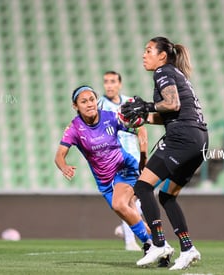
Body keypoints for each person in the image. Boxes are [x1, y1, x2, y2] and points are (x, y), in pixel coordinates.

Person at [120, 36, 209, 270]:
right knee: (167, 196)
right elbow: (172, 112)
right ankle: (188, 248)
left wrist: (146, 105)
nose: (144, 54)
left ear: (162, 56)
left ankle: (159, 244)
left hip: (182, 138)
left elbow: (172, 104)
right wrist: (145, 117)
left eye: (149, 50)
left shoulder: (162, 72)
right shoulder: (175, 73)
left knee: (142, 187)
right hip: (198, 140)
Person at [54, 85, 152, 252]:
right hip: (105, 181)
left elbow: (140, 128)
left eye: (92, 99)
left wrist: (143, 157)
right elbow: (59, 156)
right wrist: (64, 167)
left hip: (124, 168)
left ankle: (150, 246)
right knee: (128, 212)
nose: (89, 104)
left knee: (120, 205)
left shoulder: (111, 117)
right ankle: (157, 243)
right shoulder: (74, 129)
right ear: (75, 106)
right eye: (83, 101)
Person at [97, 71, 146, 251]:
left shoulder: (128, 103)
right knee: (128, 199)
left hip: (134, 155)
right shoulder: (100, 105)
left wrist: (143, 152)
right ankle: (130, 240)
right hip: (116, 158)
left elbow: (140, 127)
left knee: (139, 197)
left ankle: (127, 227)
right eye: (106, 82)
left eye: (112, 81)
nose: (109, 85)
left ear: (119, 84)